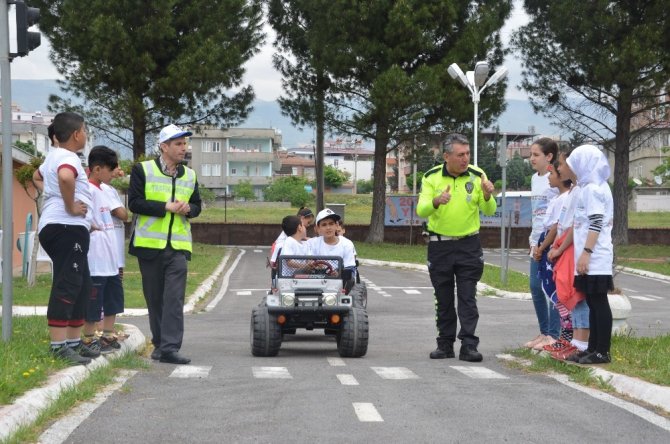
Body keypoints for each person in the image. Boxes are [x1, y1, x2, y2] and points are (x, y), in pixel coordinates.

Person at [416, 133, 496, 362]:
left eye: (468, 154)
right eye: (460, 155)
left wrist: (488, 195)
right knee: (443, 297)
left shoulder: (477, 175)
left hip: (469, 245)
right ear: (446, 156)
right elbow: (421, 210)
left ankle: (469, 344)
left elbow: (489, 210)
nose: (465, 159)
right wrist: (435, 201)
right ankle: (445, 344)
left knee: (468, 297)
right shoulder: (431, 177)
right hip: (439, 246)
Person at [128, 124, 202, 365]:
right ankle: (159, 344)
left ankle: (170, 348)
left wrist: (189, 208)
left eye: (185, 144)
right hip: (149, 247)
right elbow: (135, 203)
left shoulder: (190, 175)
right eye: (178, 144)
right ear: (164, 146)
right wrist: (166, 207)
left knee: (174, 298)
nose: (184, 148)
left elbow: (197, 206)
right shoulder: (143, 170)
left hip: (178, 248)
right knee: (154, 298)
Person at [32, 112, 99, 365]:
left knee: (82, 283)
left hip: (64, 226)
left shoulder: (53, 156)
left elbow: (36, 177)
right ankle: (58, 346)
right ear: (76, 134)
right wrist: (69, 206)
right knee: (68, 282)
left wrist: (53, 197)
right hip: (65, 226)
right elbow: (65, 177)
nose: (86, 135)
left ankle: (73, 341)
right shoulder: (67, 157)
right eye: (85, 131)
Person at [564, 145, 614, 364]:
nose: (569, 167)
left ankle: (602, 351)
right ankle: (592, 348)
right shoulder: (589, 187)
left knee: (599, 302)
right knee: (593, 303)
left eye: (573, 163)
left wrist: (586, 253)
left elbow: (596, 222)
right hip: (590, 256)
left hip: (596, 256)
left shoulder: (593, 188)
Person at [81, 146, 124, 354]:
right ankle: (89, 338)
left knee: (113, 299)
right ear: (97, 169)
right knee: (93, 301)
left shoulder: (104, 190)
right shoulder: (87, 190)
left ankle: (107, 335)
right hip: (95, 257)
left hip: (110, 258)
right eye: (110, 169)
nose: (113, 172)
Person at [549, 146, 589, 361]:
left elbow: (577, 224)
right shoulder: (574, 190)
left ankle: (580, 343)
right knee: (567, 295)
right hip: (565, 246)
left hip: (573, 249)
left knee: (577, 296)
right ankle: (573, 340)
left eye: (562, 163)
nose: (559, 167)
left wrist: (560, 248)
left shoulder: (584, 190)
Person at [525, 138, 560, 350]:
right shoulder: (534, 179)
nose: (532, 158)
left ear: (549, 157)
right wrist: (533, 242)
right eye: (531, 154)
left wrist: (547, 244)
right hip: (535, 239)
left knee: (551, 290)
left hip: (550, 240)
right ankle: (544, 331)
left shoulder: (555, 179)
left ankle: (554, 335)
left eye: (536, 155)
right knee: (535, 287)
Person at [306, 208, 357, 278]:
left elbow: (350, 268)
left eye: (331, 224)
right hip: (316, 280)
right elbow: (307, 262)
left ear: (337, 225)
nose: (328, 228)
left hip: (340, 282)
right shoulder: (312, 243)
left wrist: (338, 273)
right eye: (324, 225)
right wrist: (311, 264)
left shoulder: (347, 244)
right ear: (318, 228)